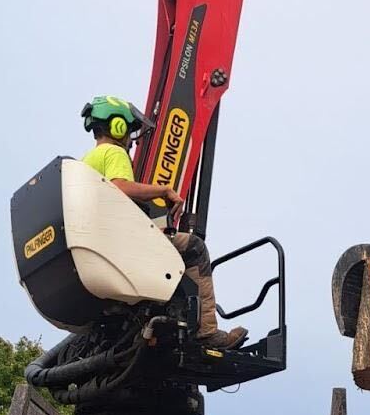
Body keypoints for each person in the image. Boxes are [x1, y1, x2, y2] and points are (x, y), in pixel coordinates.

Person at [81, 96, 247, 351]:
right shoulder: (113, 152)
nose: (131, 140)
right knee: (194, 248)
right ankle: (206, 332)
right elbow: (121, 186)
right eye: (130, 130)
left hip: (103, 244)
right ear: (118, 126)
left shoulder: (87, 161)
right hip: (121, 246)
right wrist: (164, 190)